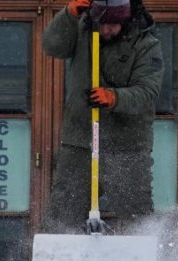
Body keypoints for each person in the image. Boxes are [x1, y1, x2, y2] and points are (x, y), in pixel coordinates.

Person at [41, 0, 163, 234]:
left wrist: (114, 98)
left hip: (127, 146)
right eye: (103, 24)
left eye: (114, 24)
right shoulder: (81, 31)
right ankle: (57, 254)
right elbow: (52, 46)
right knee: (64, 209)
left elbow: (147, 93)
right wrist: (68, 15)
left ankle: (145, 252)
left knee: (136, 213)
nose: (107, 30)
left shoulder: (146, 44)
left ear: (126, 20)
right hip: (80, 141)